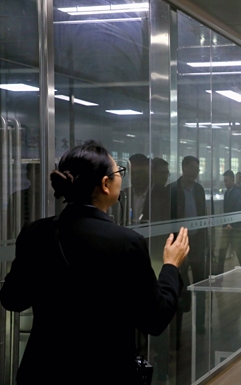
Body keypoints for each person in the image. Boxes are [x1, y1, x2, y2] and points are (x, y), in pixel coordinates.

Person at [0, 141, 190, 385]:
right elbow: (155, 318)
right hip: (104, 372)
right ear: (105, 184)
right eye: (119, 172)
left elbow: (13, 299)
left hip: (42, 370)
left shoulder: (35, 233)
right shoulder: (127, 243)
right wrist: (171, 266)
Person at [169, 156, 209, 341]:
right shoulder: (173, 189)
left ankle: (200, 323)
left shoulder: (199, 189)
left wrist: (207, 243)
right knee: (181, 285)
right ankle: (177, 328)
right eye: (192, 168)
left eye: (197, 169)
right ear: (183, 167)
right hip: (180, 242)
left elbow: (205, 215)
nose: (195, 172)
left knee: (201, 284)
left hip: (197, 243)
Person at [216, 169, 241, 274]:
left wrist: (232, 224)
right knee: (222, 252)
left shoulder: (237, 193)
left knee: (238, 250)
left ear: (232, 180)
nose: (225, 183)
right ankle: (219, 275)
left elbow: (239, 210)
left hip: (235, 228)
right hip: (227, 227)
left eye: (227, 181)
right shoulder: (227, 193)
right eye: (224, 181)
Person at [123, 153, 150, 224]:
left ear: (148, 172)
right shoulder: (123, 195)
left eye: (140, 172)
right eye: (132, 173)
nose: (136, 177)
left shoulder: (159, 195)